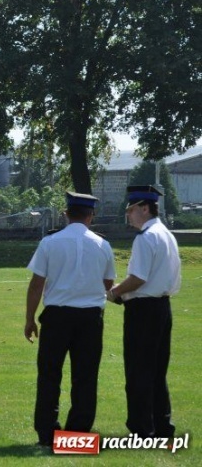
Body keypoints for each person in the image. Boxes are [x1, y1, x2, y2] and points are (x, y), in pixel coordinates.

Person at [24, 192, 115, 447]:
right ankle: (78, 434)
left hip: (57, 316)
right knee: (85, 376)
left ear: (66, 214)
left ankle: (47, 432)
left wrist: (30, 319)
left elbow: (36, 285)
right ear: (91, 215)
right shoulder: (102, 245)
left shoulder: (50, 243)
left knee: (49, 375)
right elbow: (108, 283)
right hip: (90, 317)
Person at [106, 185, 181, 438]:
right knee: (158, 370)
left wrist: (115, 292)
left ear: (144, 208)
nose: (128, 214)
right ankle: (162, 424)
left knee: (139, 369)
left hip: (144, 309)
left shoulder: (146, 237)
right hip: (162, 307)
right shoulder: (167, 234)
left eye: (131, 209)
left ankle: (141, 427)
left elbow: (138, 278)